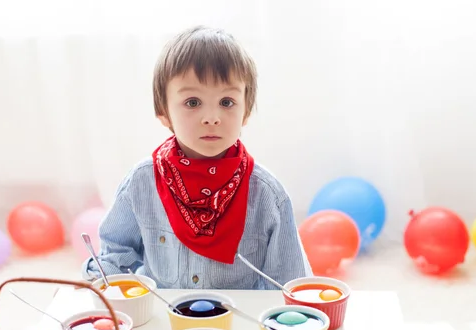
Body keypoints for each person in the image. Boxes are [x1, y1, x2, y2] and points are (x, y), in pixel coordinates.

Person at [82, 25, 312, 289]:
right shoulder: (141, 182)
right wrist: (101, 281)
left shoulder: (268, 195)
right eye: (192, 102)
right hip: (166, 322)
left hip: (237, 324)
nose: (212, 118)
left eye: (227, 102)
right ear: (164, 113)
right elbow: (114, 257)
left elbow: (287, 283)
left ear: (246, 111)